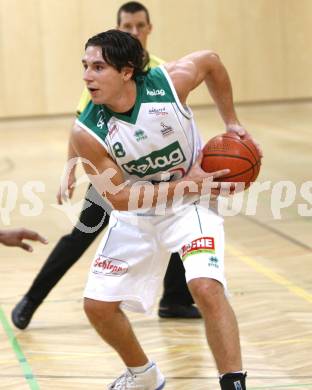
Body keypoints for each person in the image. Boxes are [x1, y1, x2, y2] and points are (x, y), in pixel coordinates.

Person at [71, 29, 261, 390]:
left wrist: (232, 123)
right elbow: (119, 199)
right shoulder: (87, 132)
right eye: (85, 66)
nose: (87, 77)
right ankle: (144, 376)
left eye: (97, 67)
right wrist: (189, 183)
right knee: (97, 307)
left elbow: (211, 62)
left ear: (127, 71)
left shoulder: (168, 85)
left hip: (192, 206)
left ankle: (234, 385)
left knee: (205, 287)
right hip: (138, 212)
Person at [11, 1, 200, 331]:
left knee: (175, 227)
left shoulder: (161, 70)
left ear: (149, 29)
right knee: (82, 234)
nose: (135, 32)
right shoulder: (103, 76)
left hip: (154, 171)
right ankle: (31, 298)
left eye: (140, 26)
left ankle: (175, 300)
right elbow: (80, 128)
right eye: (127, 26)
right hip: (113, 172)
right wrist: (70, 169)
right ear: (119, 29)